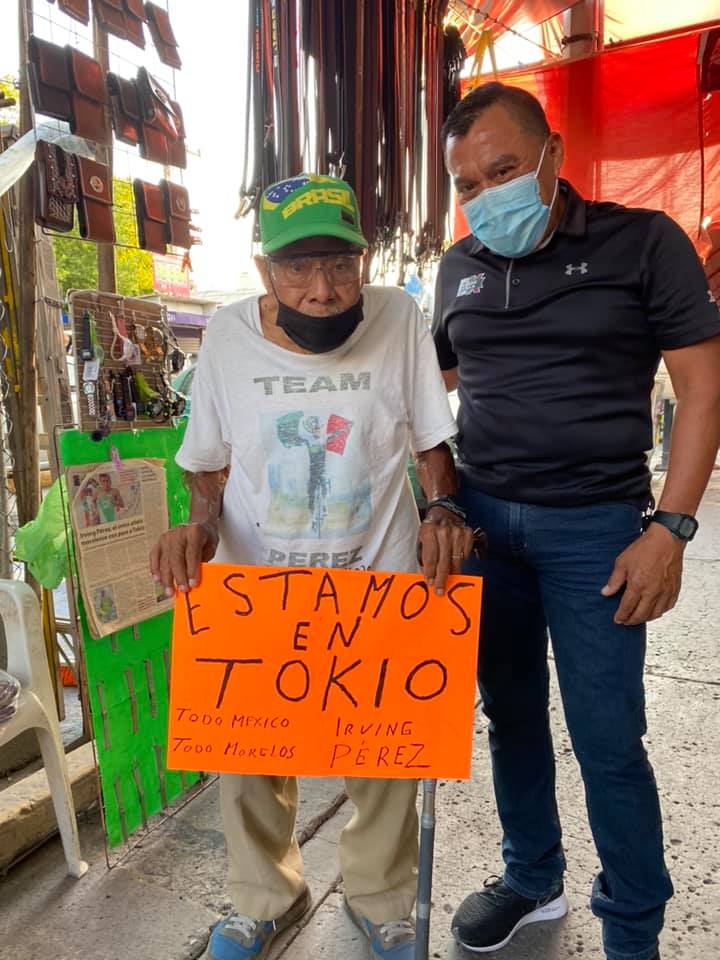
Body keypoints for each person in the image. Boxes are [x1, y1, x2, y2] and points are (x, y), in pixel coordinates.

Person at [150, 173, 475, 960]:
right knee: (248, 755)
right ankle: (266, 896)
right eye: (298, 267)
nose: (322, 289)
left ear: (363, 259)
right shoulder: (227, 337)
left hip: (378, 576)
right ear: (265, 270)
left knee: (383, 751)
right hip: (259, 585)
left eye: (339, 263)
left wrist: (443, 508)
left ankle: (380, 899)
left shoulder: (398, 318)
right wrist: (198, 527)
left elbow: (432, 441)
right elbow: (207, 465)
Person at [432, 83, 720, 960]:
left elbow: (703, 388)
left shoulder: (644, 243)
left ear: (553, 155)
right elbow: (422, 395)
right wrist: (438, 497)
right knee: (510, 716)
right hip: (485, 527)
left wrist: (671, 530)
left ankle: (632, 929)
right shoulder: (457, 266)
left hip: (598, 531)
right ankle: (532, 878)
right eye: (468, 184)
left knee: (607, 738)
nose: (487, 196)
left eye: (504, 171)